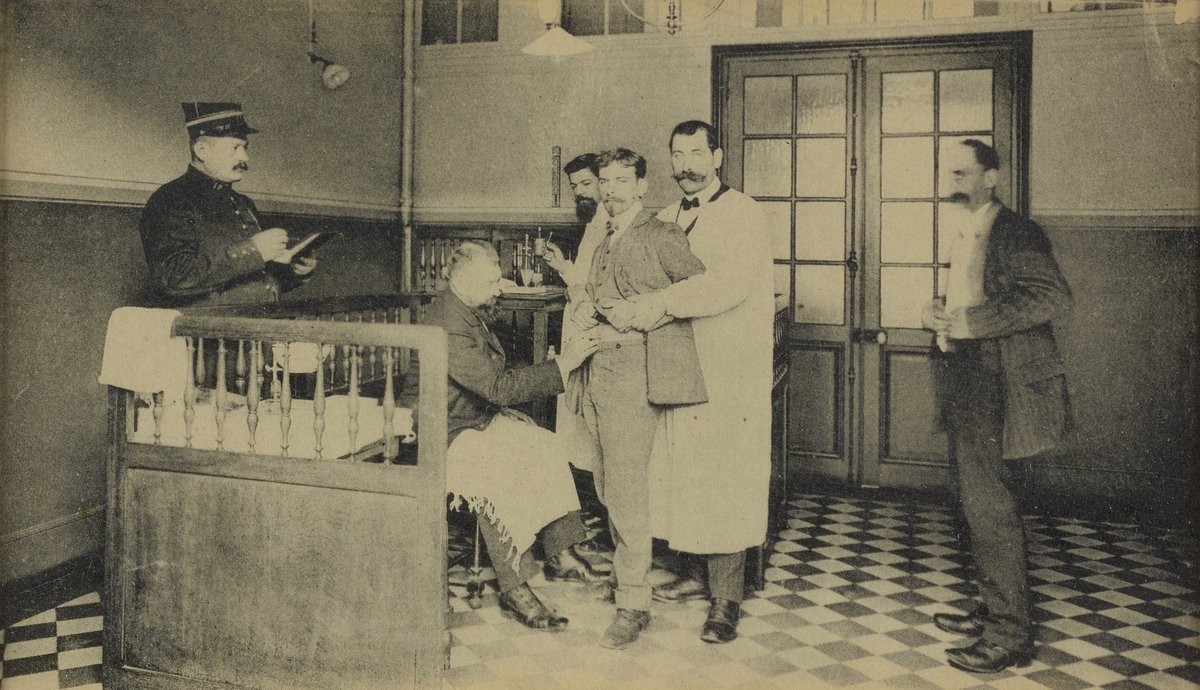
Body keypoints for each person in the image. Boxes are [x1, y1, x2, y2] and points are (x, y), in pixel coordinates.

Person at [614, 120, 775, 644]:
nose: (686, 165)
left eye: (696, 154)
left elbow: (726, 285)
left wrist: (659, 302)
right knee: (680, 473)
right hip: (677, 367)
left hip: (727, 371)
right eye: (678, 155)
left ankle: (726, 599)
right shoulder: (663, 217)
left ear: (718, 156)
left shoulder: (744, 213)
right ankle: (692, 573)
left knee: (724, 478)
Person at [921, 139, 1071, 673]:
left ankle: (1009, 636)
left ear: (992, 177)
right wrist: (937, 310)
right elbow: (969, 296)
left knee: (990, 506)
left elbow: (1050, 296)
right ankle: (993, 610)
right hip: (969, 376)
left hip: (997, 384)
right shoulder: (967, 227)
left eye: (962, 173)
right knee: (975, 501)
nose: (952, 183)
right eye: (948, 174)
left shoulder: (1015, 230)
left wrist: (970, 321)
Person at [401, 241, 603, 632]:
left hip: (467, 418)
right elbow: (496, 386)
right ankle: (515, 587)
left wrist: (506, 407)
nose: (499, 289)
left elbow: (488, 382)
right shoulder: (447, 322)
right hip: (439, 430)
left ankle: (560, 551)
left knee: (544, 444)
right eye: (491, 282)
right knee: (496, 472)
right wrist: (564, 363)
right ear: (464, 281)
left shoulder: (464, 307)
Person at [571, 148, 708, 650]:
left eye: (621, 181)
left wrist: (649, 312)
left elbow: (699, 289)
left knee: (626, 491)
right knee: (607, 486)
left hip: (634, 373)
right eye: (605, 181)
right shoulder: (607, 237)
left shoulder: (660, 233)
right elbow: (599, 296)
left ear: (642, 186)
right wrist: (587, 310)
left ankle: (632, 603)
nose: (611, 190)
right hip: (598, 369)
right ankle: (628, 581)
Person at [139, 102, 317, 307]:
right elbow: (174, 278)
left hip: (253, 323)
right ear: (202, 151)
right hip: (204, 328)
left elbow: (255, 280)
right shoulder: (169, 200)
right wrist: (253, 251)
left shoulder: (243, 203)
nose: (244, 157)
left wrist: (294, 271)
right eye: (235, 148)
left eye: (245, 148)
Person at [542, 153, 610, 556]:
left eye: (586, 184)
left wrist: (575, 284)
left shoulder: (609, 224)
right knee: (580, 424)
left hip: (594, 334)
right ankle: (595, 512)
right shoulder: (593, 225)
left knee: (595, 428)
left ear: (604, 181)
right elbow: (582, 283)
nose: (580, 193)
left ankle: (607, 516)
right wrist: (565, 267)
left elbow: (596, 290)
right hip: (579, 331)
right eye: (575, 188)